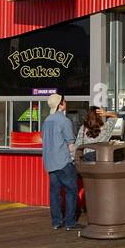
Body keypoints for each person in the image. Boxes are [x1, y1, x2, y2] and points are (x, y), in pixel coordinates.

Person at [41, 93, 78, 230]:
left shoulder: (47, 121)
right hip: (63, 161)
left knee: (54, 192)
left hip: (50, 162)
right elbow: (70, 143)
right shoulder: (64, 121)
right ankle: (70, 222)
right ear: (60, 104)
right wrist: (74, 158)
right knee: (71, 191)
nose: (66, 103)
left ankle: (56, 221)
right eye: (65, 101)